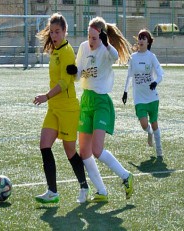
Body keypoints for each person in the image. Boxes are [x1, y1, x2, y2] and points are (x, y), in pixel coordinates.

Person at [33, 13, 90, 204]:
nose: (54, 35)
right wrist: (49, 100)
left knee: (69, 150)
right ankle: (52, 192)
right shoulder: (55, 51)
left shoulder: (66, 52)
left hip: (67, 108)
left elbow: (65, 83)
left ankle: (84, 186)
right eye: (52, 31)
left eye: (58, 31)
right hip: (54, 108)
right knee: (44, 145)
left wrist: (46, 96)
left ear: (65, 31)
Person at [75, 16, 134, 202]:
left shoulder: (107, 51)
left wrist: (107, 45)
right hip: (85, 101)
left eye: (94, 38)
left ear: (102, 37)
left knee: (97, 150)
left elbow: (116, 56)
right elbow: (78, 74)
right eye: (89, 36)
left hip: (101, 103)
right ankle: (101, 192)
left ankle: (126, 176)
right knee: (84, 152)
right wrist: (72, 71)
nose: (91, 41)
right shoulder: (83, 47)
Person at [122, 29, 164, 157]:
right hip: (139, 98)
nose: (140, 40)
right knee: (144, 124)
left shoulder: (151, 57)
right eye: (139, 38)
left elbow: (161, 74)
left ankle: (159, 151)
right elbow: (129, 76)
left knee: (155, 123)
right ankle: (149, 132)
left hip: (152, 97)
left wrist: (155, 82)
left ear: (148, 42)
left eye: (143, 38)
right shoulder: (133, 58)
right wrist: (125, 92)